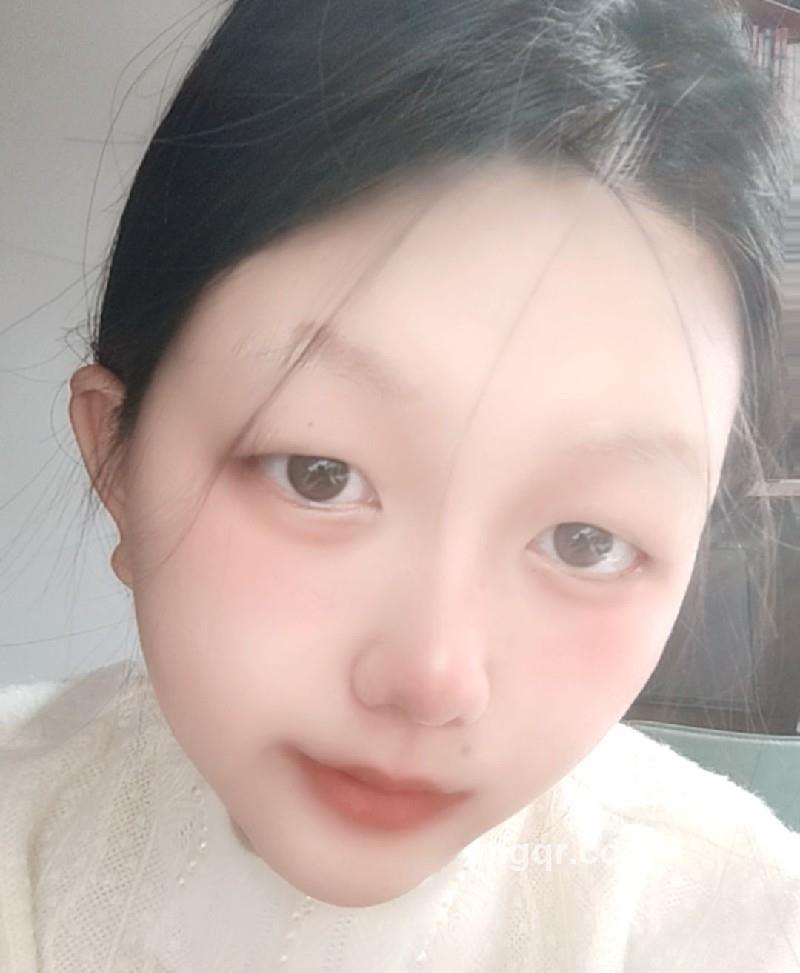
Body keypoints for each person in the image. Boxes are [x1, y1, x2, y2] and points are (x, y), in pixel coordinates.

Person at [2, 0, 800, 969]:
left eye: (585, 540)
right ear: (116, 454)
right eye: (319, 475)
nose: (433, 678)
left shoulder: (740, 921)